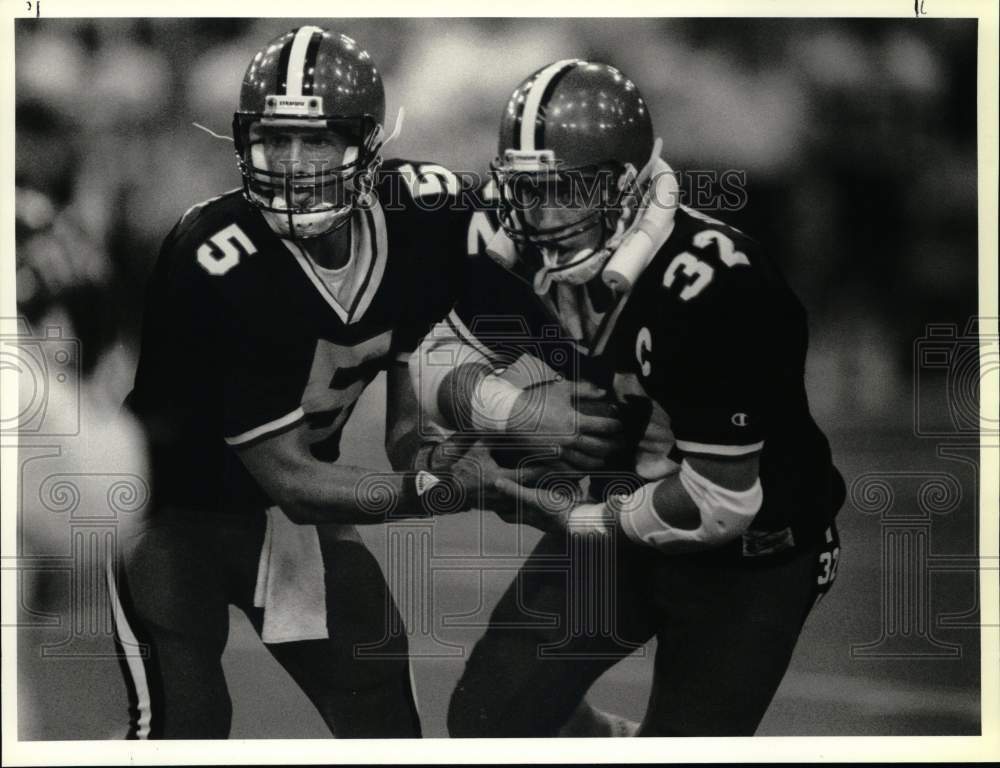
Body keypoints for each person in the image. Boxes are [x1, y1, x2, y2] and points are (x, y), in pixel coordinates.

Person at [413, 59, 846, 736]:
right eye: (527, 190)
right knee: (488, 719)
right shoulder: (516, 236)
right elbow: (433, 358)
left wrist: (576, 516)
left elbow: (719, 501)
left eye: (566, 189)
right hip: (620, 518)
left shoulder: (715, 283)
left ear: (628, 185)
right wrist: (519, 413)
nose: (542, 215)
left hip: (753, 554)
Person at [114, 26, 513, 739]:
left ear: (366, 143)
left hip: (287, 516)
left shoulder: (425, 213)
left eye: (319, 140)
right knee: (187, 729)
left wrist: (447, 446)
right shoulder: (212, 256)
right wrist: (442, 489)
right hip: (173, 520)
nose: (295, 165)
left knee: (381, 709)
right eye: (276, 140)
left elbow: (405, 419)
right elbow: (292, 481)